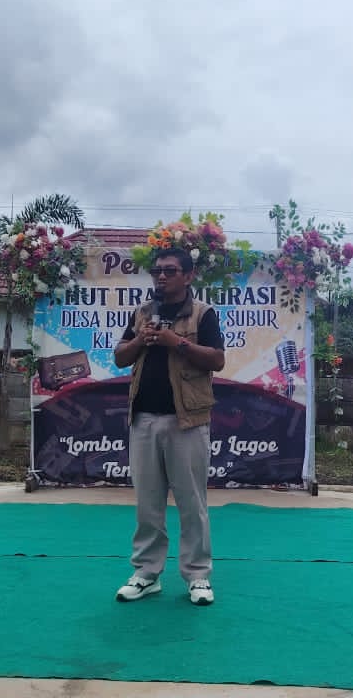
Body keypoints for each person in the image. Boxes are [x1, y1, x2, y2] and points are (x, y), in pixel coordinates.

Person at [112, 247, 226, 606]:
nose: (161, 276)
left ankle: (198, 576)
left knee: (192, 503)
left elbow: (217, 359)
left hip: (187, 420)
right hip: (143, 418)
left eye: (170, 271)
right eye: (157, 271)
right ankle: (147, 573)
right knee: (148, 504)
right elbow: (119, 356)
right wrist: (140, 340)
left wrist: (175, 342)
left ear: (188, 276)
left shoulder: (203, 314)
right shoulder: (143, 313)